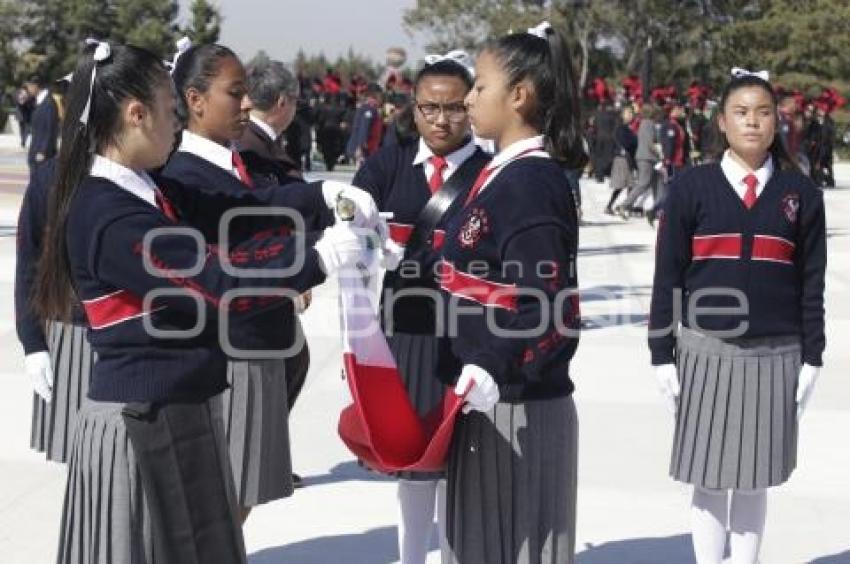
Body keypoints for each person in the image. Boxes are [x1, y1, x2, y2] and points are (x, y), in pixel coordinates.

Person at [35, 40, 368, 564]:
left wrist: (319, 195)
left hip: (176, 408)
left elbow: (241, 204)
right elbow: (215, 286)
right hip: (140, 422)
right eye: (171, 111)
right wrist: (320, 259)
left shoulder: (146, 188)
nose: (177, 125)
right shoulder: (111, 215)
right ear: (136, 114)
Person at [165, 43, 378, 521]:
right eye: (234, 93)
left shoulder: (228, 162)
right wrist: (316, 255)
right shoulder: (186, 175)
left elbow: (264, 205)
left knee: (239, 494)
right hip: (230, 353)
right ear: (195, 100)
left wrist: (323, 198)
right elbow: (238, 252)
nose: (246, 103)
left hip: (259, 344)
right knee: (220, 499)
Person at [649, 70, 826, 564]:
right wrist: (662, 353)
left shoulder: (800, 195)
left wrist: (813, 356)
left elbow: (812, 284)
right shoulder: (690, 188)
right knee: (707, 474)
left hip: (777, 352)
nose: (753, 121)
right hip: (706, 350)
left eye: (764, 112)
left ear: (777, 123)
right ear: (722, 122)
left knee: (754, 478)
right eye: (741, 112)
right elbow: (668, 277)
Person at [437, 22, 585, 564]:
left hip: (515, 401)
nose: (468, 98)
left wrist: (492, 364)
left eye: (479, 86)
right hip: (484, 396)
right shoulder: (498, 174)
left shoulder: (529, 183)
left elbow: (543, 298)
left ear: (519, 96)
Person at [352, 51, 489, 564]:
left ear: (471, 107)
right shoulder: (387, 166)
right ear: (413, 110)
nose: (440, 119)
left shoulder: (488, 171)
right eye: (429, 108)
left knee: (464, 463)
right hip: (404, 333)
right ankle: (411, 556)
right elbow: (348, 230)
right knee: (414, 462)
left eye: (453, 107)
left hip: (469, 333)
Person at [15, 158, 96, 464]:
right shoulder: (51, 177)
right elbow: (29, 263)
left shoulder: (156, 172)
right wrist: (32, 342)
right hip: (71, 335)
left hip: (136, 337)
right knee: (81, 472)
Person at [617, 104, 661, 218]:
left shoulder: (643, 123)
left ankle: (658, 207)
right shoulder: (649, 124)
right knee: (644, 183)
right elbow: (650, 143)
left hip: (645, 157)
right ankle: (625, 205)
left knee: (656, 183)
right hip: (647, 157)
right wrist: (660, 153)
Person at [605, 105, 638, 214]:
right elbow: (627, 142)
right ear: (622, 114)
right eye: (628, 113)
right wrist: (635, 141)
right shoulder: (621, 128)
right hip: (622, 158)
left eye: (631, 113)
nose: (631, 115)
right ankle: (614, 206)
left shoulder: (628, 127)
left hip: (627, 158)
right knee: (622, 184)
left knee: (630, 184)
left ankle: (626, 205)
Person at [24, 74, 60, 173]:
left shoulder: (49, 103)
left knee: (42, 184)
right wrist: (22, 103)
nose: (27, 89)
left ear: (35, 85)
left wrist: (43, 151)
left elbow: (51, 129)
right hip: (35, 150)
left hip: (43, 154)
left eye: (28, 86)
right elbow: (26, 118)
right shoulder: (36, 102)